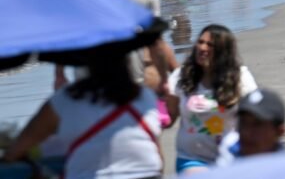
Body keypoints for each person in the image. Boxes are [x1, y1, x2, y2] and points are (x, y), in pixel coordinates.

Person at [3, 53, 164, 178]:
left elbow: (17, 150)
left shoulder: (66, 99)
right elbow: (158, 157)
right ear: (127, 63)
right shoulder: (145, 97)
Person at [167, 25, 257, 173]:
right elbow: (168, 118)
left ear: (223, 51)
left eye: (210, 45)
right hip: (191, 158)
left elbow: (256, 114)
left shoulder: (240, 77)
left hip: (231, 157)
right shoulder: (182, 76)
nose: (202, 48)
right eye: (200, 42)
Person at [230, 89, 285, 160]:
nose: (246, 132)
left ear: (280, 131)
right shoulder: (224, 164)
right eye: (243, 123)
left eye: (257, 124)